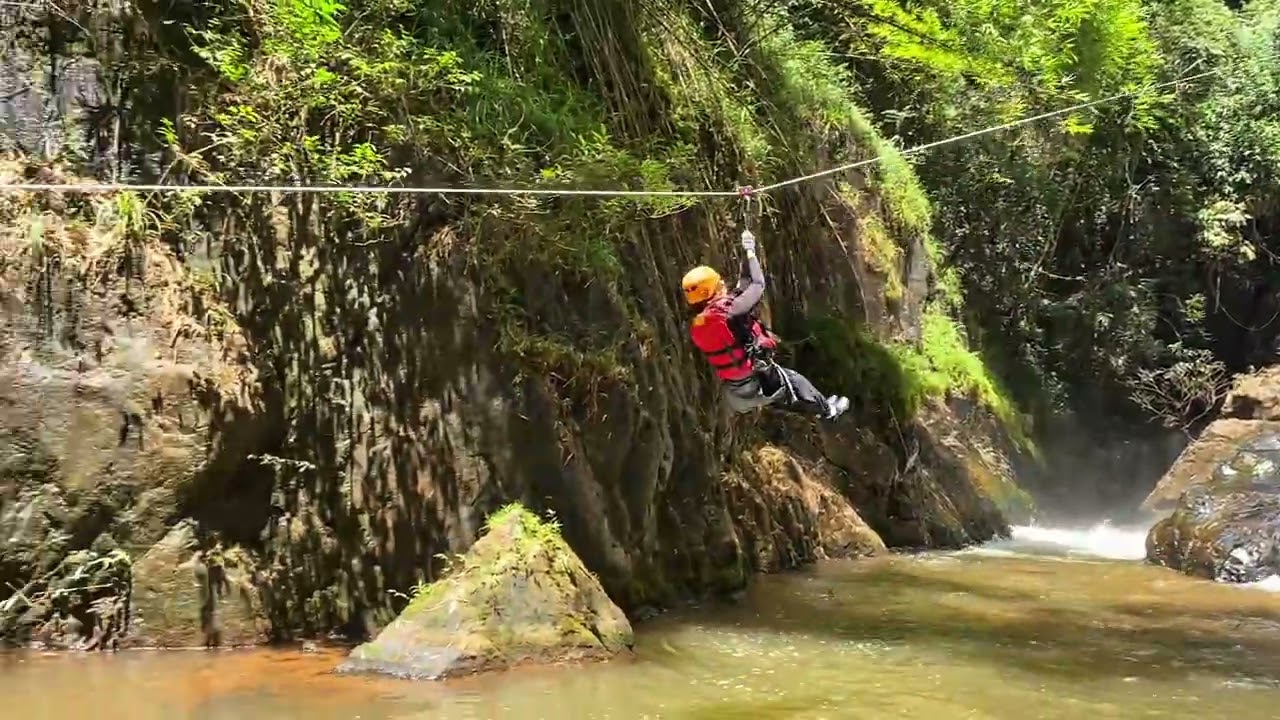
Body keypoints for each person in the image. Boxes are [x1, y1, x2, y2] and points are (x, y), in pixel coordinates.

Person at [681, 226, 850, 421]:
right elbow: (757, 284)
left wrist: (745, 254)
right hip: (754, 373)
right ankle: (829, 411)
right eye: (720, 284)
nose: (724, 285)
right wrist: (751, 251)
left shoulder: (699, 324)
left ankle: (819, 408)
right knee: (796, 382)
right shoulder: (731, 311)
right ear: (712, 290)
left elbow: (743, 285)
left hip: (735, 383)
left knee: (787, 391)